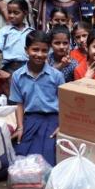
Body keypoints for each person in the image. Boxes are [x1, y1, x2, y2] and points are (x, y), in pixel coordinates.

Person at [9, 31, 65, 166]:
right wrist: (20, 127)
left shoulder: (56, 75)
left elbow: (65, 103)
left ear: (48, 51)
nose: (39, 54)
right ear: (26, 50)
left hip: (53, 118)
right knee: (20, 153)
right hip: (30, 118)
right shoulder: (17, 76)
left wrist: (62, 126)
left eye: (44, 51)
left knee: (48, 156)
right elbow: (19, 104)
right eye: (35, 49)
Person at [0, 0, 33, 73]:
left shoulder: (31, 32)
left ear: (25, 13)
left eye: (16, 13)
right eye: (9, 12)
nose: (11, 15)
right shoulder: (4, 31)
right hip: (9, 68)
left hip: (28, 68)